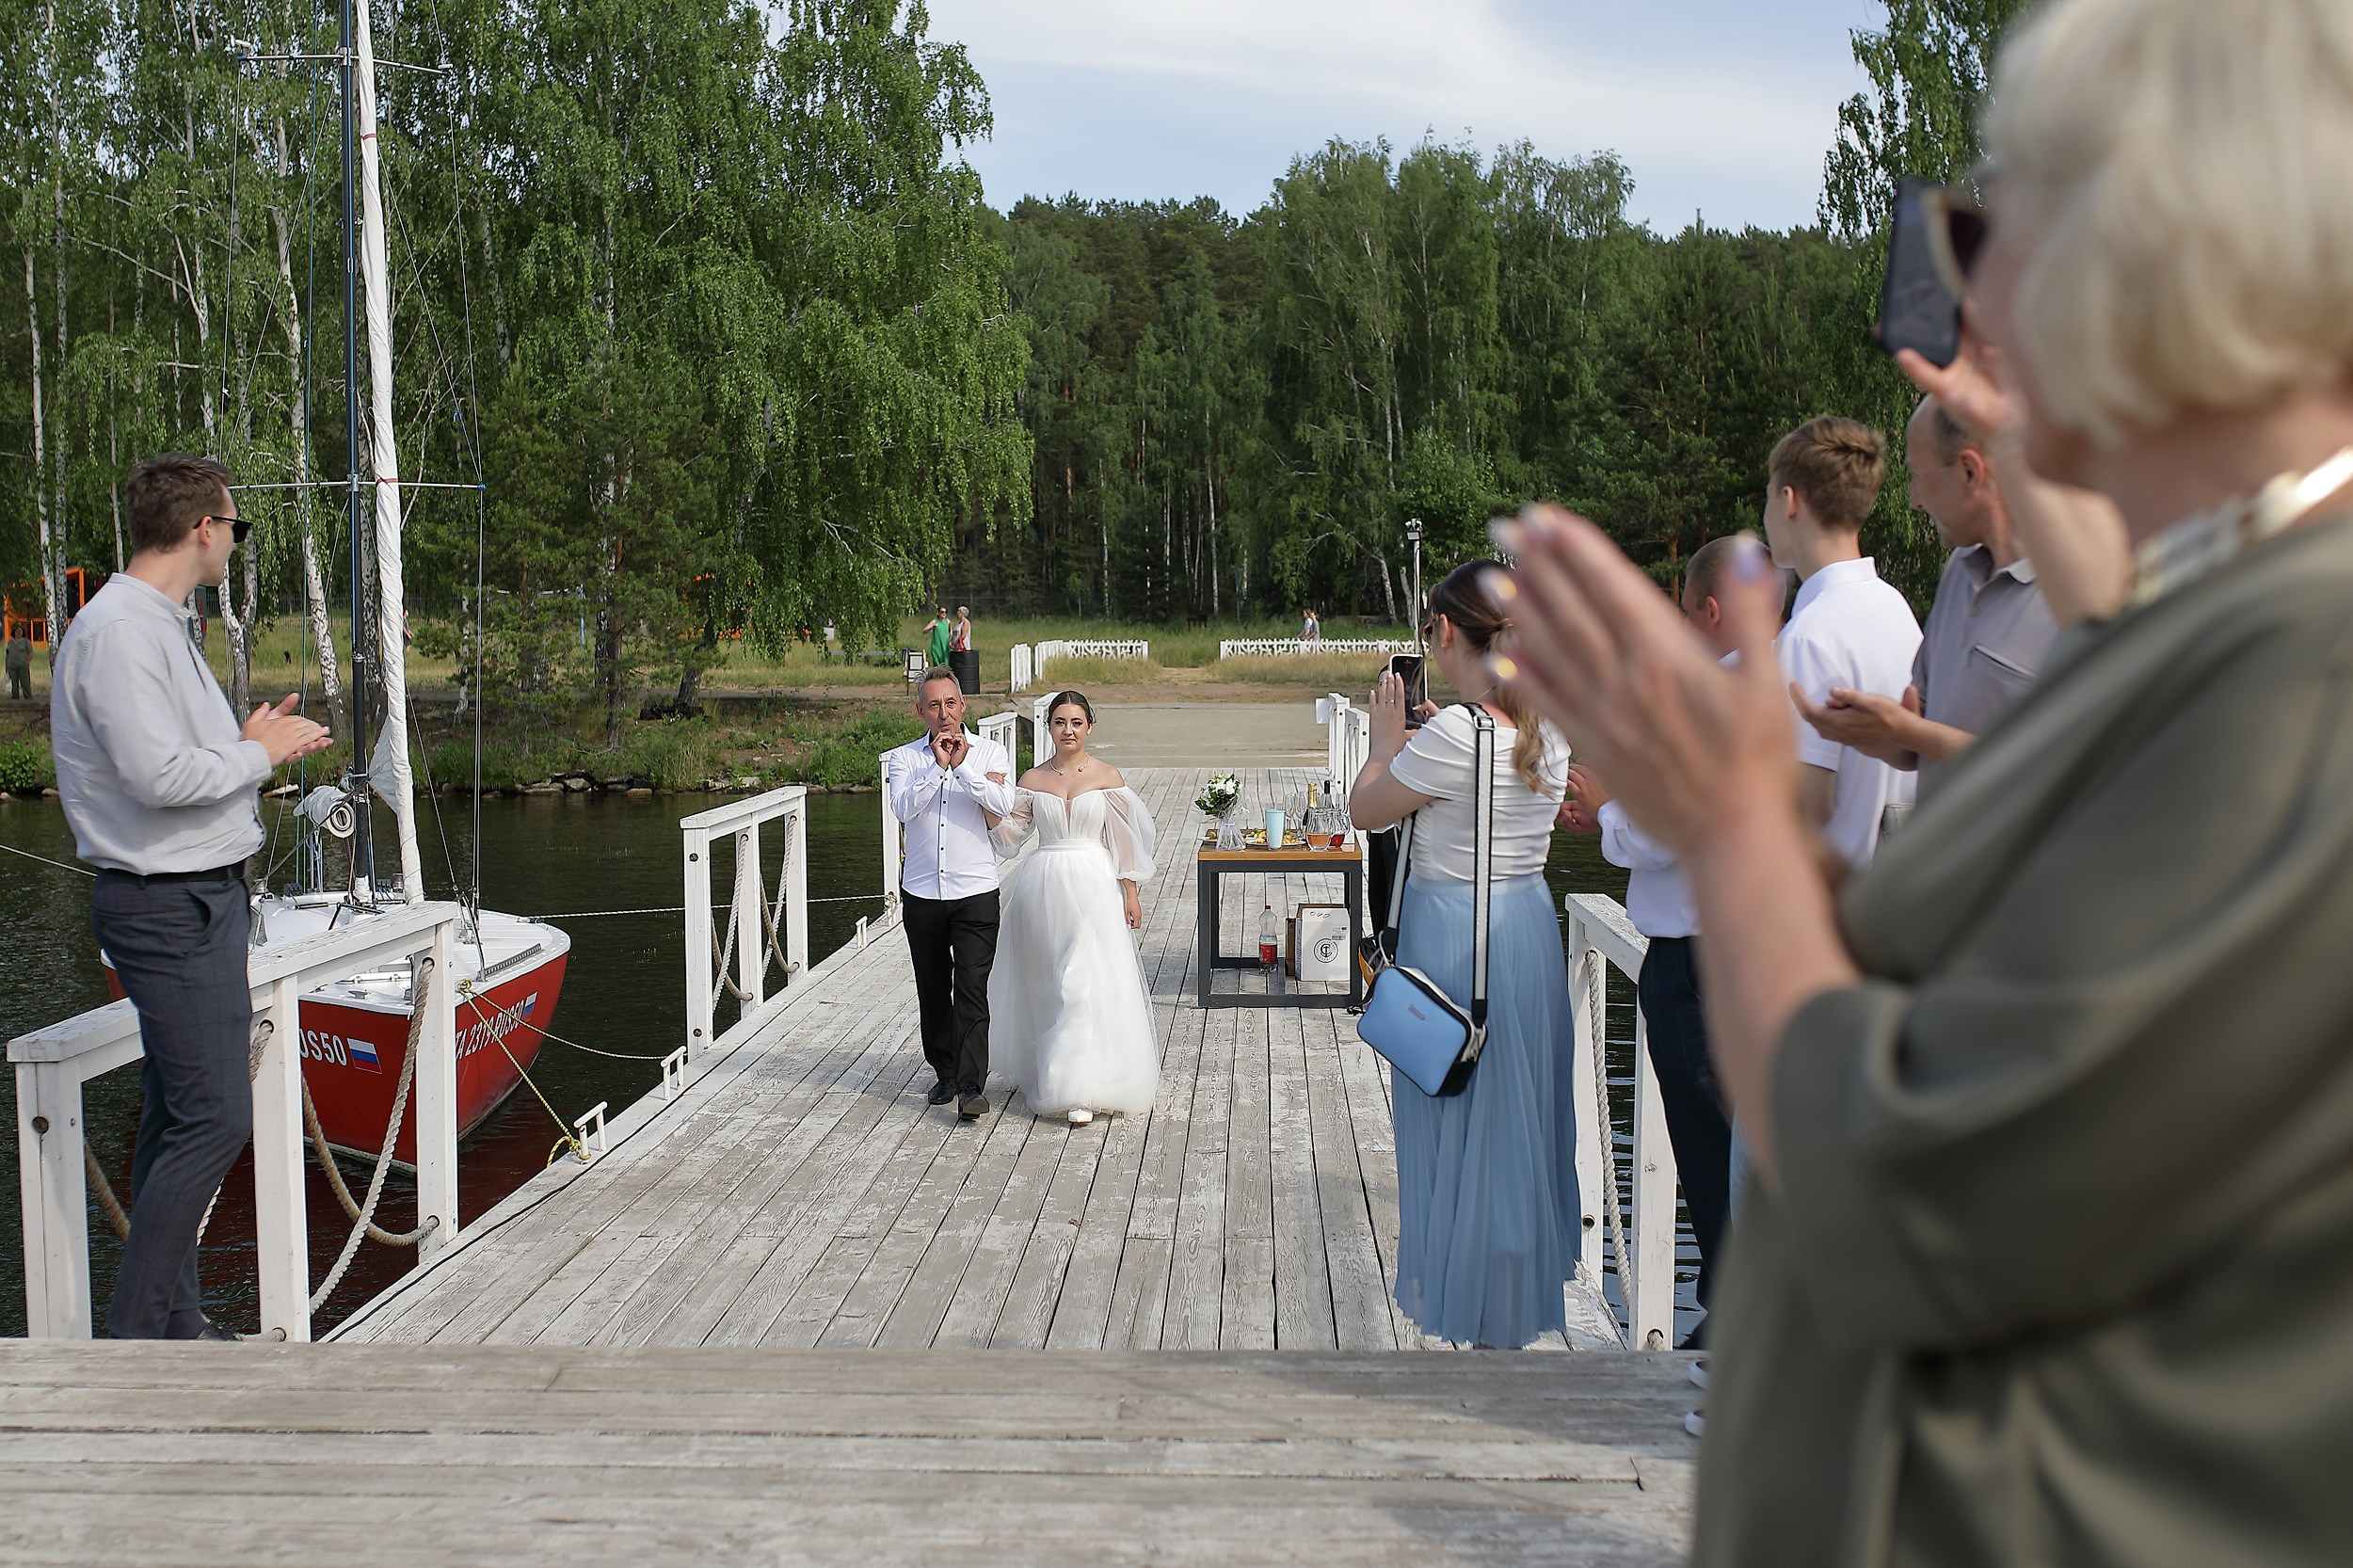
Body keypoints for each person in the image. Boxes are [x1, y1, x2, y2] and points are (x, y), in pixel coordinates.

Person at [1487, 0, 2353, 1557]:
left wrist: (1733, 825)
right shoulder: (2232, 605)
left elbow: (1907, 1198)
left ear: (2160, 252)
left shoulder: (2308, 674)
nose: (1965, 289)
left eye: (1988, 218)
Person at [49, 455, 330, 1338]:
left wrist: (245, 738)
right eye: (235, 527)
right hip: (165, 906)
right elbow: (157, 775)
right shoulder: (121, 632)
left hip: (197, 899)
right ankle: (135, 1345)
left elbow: (179, 761)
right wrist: (263, 755)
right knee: (215, 1116)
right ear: (204, 528)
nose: (235, 544)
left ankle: (172, 1323)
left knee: (179, 1113)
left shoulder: (160, 625)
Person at [1348, 561, 1578, 1349]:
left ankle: (1474, 1316)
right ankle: (1506, 1311)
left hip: (1454, 937)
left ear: (1446, 632)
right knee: (1512, 1125)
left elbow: (1367, 808)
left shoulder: (1452, 734)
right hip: (1524, 931)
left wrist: (1384, 742)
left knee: (1453, 1118)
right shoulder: (1544, 727)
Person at [1559, 535, 1764, 1339]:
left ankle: (1730, 1326)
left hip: (1698, 954)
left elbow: (1676, 822)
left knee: (1710, 1157)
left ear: (1709, 609)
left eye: (1684, 610)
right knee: (1728, 1154)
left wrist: (1609, 809)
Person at [1795, 394, 2058, 796]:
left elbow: (2065, 772)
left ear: (1970, 472)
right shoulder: (1958, 572)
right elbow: (1920, 738)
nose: (1915, 500)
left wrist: (1910, 732)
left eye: (1917, 475)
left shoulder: (2076, 596)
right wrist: (1874, 733)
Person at [984, 690, 1159, 1125]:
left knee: (1084, 982)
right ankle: (1049, 1068)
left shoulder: (1106, 776)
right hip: (1042, 886)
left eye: (1076, 722)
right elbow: (1010, 836)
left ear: (1089, 726)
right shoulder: (1032, 778)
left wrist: (1130, 890)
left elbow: (1123, 840)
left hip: (1094, 884)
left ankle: (1080, 1087)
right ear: (1049, 727)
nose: (1068, 730)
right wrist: (986, 798)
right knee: (1048, 982)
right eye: (1060, 722)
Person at [1762, 416, 1922, 872]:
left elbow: (1807, 810)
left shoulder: (1808, 636)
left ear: (1788, 501)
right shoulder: (1895, 608)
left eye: (1767, 496)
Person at [883, 666, 1015, 1120]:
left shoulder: (990, 752)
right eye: (933, 705)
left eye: (951, 703)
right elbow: (902, 808)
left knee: (972, 987)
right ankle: (946, 1071)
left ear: (963, 706)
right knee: (934, 988)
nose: (944, 713)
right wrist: (938, 767)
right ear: (920, 710)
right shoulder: (905, 760)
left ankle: (972, 1086)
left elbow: (1003, 804)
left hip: (976, 890)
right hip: (921, 892)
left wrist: (962, 769)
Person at [925, 605, 953, 670]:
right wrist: (932, 627)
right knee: (937, 665)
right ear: (938, 613)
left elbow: (950, 631)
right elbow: (924, 630)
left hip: (945, 646)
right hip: (936, 646)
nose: (944, 613)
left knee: (946, 664)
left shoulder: (948, 621)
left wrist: (950, 640)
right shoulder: (934, 621)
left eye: (945, 612)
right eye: (942, 612)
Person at [6, 627, 30, 699]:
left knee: (25, 683)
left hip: (22, 665)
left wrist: (27, 662)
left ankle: (28, 699)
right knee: (14, 684)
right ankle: (15, 699)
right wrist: (7, 666)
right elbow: (7, 654)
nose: (18, 633)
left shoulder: (26, 642)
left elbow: (30, 653)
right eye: (17, 631)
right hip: (12, 666)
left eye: (20, 631)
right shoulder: (10, 642)